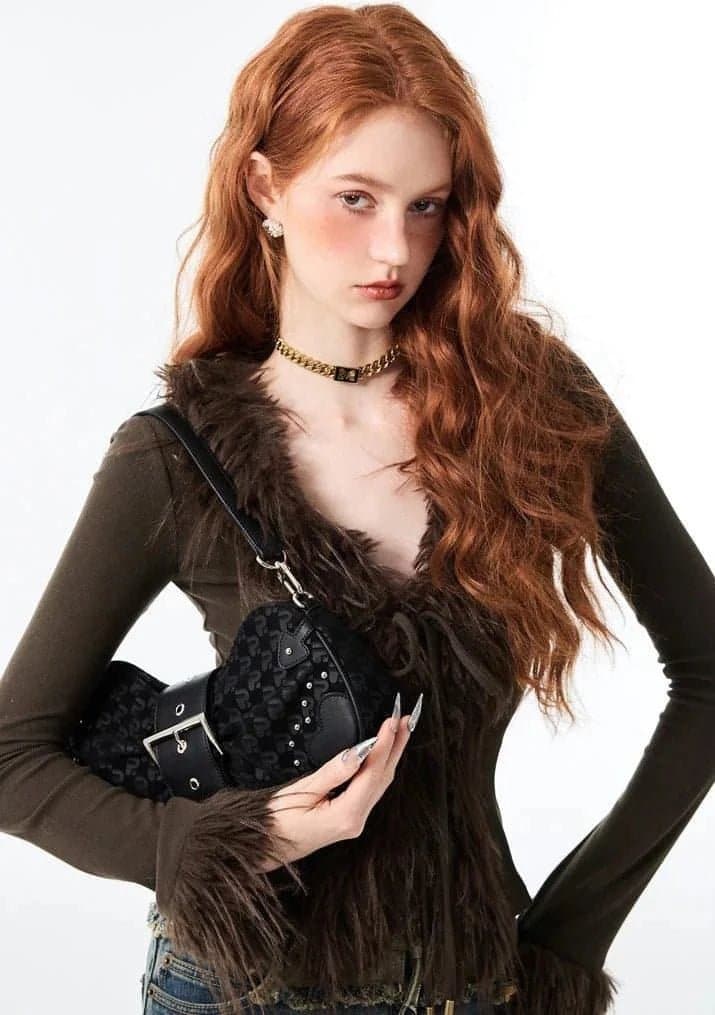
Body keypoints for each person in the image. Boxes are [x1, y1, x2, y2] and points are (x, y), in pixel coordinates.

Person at [1, 5, 713, 1015]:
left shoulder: (530, 405)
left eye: (426, 206)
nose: (394, 247)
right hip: (243, 989)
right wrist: (218, 842)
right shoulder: (175, 457)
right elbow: (13, 759)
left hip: (475, 985)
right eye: (355, 197)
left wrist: (568, 934)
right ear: (266, 189)